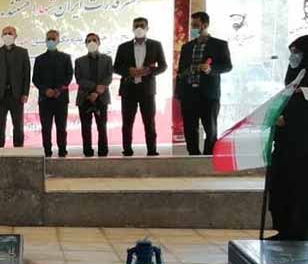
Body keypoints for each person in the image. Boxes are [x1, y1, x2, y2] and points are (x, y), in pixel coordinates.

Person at [175, 12, 233, 156]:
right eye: (192, 25)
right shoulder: (187, 47)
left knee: (210, 128)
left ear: (205, 25)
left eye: (196, 25)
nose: (193, 28)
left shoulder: (219, 45)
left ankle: (208, 156)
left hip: (209, 93)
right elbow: (180, 70)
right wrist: (179, 92)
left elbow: (227, 66)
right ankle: (193, 156)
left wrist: (210, 69)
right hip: (189, 93)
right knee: (190, 128)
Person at [269, 35, 308, 241]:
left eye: (297, 52)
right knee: (280, 185)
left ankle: (299, 231)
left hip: (302, 147)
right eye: (291, 52)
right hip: (285, 145)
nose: (293, 57)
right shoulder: (294, 76)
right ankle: (283, 229)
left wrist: (290, 120)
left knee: (299, 188)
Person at [113, 17, 167, 156]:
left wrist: (149, 71)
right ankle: (127, 150)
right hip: (128, 89)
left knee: (149, 122)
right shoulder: (123, 47)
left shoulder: (156, 45)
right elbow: (116, 67)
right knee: (127, 123)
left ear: (147, 28)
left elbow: (163, 66)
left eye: (142, 25)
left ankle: (152, 150)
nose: (139, 28)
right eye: (136, 25)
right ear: (132, 28)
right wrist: (128, 71)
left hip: (147, 90)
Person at [32, 30, 73, 157]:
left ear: (58, 40)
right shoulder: (39, 59)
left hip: (61, 98)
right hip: (45, 99)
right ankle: (47, 151)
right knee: (46, 128)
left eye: (53, 39)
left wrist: (58, 90)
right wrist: (45, 90)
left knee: (61, 127)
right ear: (45, 40)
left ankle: (62, 150)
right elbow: (35, 79)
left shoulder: (66, 58)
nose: (50, 41)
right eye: (48, 39)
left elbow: (69, 76)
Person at [0, 25, 31, 148]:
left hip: (17, 96)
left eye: (10, 33)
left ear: (15, 36)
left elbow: (27, 75)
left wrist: (25, 93)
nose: (8, 35)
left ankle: (18, 151)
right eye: (5, 33)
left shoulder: (23, 52)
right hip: (0, 96)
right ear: (2, 36)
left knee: (18, 126)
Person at [74, 33, 113, 157]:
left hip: (101, 97)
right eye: (89, 41)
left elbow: (109, 77)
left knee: (102, 127)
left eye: (94, 40)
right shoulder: (79, 61)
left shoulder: (107, 59)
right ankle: (87, 152)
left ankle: (103, 152)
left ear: (99, 42)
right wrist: (95, 88)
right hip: (84, 98)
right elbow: (79, 79)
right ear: (86, 44)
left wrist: (97, 92)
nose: (92, 42)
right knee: (86, 127)